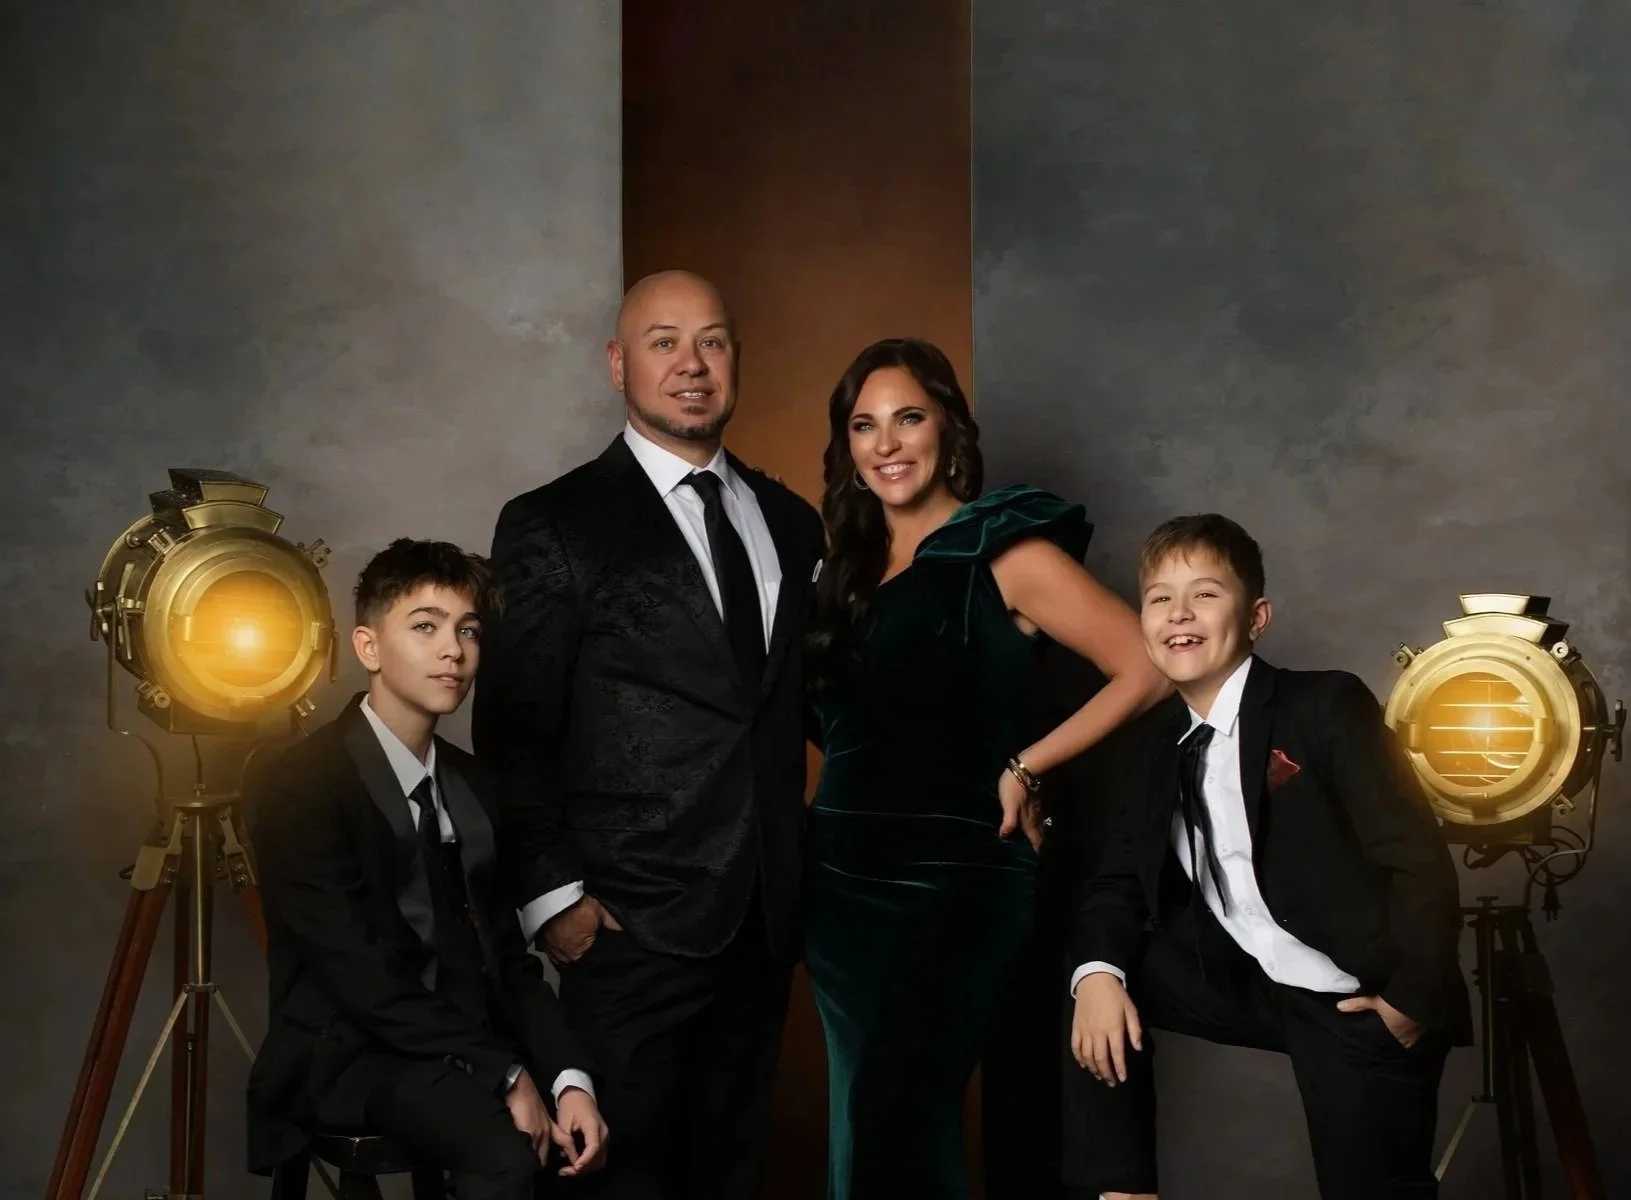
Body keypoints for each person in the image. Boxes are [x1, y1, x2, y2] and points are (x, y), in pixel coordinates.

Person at [472, 270, 826, 1200]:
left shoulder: (789, 523)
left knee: (729, 1173)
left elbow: (802, 705)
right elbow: (511, 729)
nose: (691, 364)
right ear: (618, 363)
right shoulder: (552, 524)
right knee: (617, 1182)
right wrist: (556, 902)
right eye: (664, 341)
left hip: (761, 918)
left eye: (712, 341)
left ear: (735, 362)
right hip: (626, 922)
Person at [802, 337, 1169, 1199]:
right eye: (864, 426)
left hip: (955, 886)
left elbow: (1147, 666)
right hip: (838, 891)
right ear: (847, 449)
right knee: (863, 1126)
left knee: (903, 1115)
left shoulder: (1002, 553)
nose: (886, 443)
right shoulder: (841, 575)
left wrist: (1027, 765)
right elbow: (861, 730)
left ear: (948, 432)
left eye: (907, 419)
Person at [1065, 514, 1471, 1199]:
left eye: (1204, 594)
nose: (1179, 613)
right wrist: (1097, 975)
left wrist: (1409, 999)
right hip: (1246, 982)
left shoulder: (1323, 705)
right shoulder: (1152, 747)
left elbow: (1416, 858)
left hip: (1353, 995)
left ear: (1256, 616)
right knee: (1095, 975)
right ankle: (1122, 1191)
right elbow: (1116, 883)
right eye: (1160, 598)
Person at [247, 539, 607, 1199]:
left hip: (460, 1042)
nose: (454, 650)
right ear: (368, 648)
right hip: (353, 1049)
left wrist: (567, 1080)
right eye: (425, 627)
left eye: (467, 630)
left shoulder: (472, 783)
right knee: (504, 1151)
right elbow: (356, 974)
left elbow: (510, 961)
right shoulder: (300, 785)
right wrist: (503, 1074)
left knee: (579, 1140)